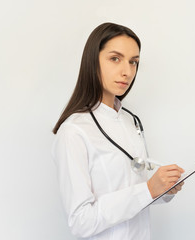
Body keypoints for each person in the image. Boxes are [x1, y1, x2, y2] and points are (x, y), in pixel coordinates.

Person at [52, 22, 185, 240]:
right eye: (115, 58)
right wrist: (148, 190)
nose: (127, 71)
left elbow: (137, 191)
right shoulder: (74, 131)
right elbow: (80, 221)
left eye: (133, 62)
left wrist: (163, 189)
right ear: (93, 61)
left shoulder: (131, 121)